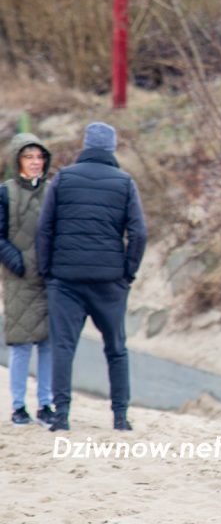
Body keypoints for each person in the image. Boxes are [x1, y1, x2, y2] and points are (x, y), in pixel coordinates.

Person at [36, 122, 147, 432]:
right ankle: (120, 417)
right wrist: (128, 271)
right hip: (109, 281)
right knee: (116, 348)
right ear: (111, 149)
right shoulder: (124, 183)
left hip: (65, 280)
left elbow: (45, 228)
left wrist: (48, 272)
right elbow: (139, 233)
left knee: (63, 347)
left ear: (85, 146)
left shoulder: (63, 178)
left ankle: (62, 416)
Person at [0, 133, 55, 427]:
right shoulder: (5, 192)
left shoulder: (52, 190)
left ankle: (46, 404)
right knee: (21, 344)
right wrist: (17, 262)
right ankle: (18, 405)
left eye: (39, 157)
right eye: (29, 157)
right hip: (18, 279)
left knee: (48, 342)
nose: (36, 163)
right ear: (17, 159)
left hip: (48, 278)